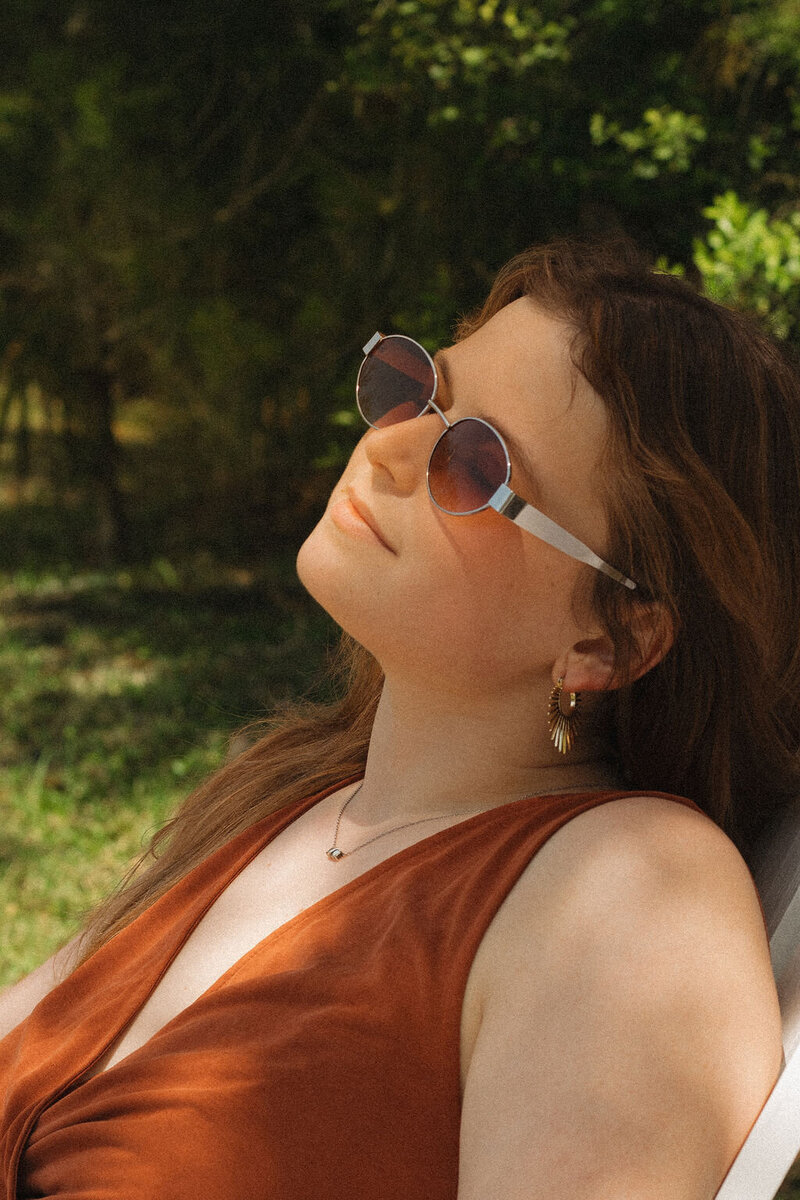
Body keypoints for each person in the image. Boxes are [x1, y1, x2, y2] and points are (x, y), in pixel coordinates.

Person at [1, 237, 798, 1200]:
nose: (387, 447)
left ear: (610, 641)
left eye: (475, 464)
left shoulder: (635, 891)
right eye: (418, 390)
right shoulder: (290, 795)